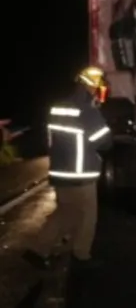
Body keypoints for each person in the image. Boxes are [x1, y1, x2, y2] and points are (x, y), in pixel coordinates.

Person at [22, 66, 112, 270]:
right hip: (81, 174)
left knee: (64, 213)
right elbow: (104, 141)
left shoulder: (58, 107)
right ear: (93, 86)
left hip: (60, 173)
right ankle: (82, 256)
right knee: (88, 217)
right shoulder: (87, 109)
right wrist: (101, 117)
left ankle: (37, 250)